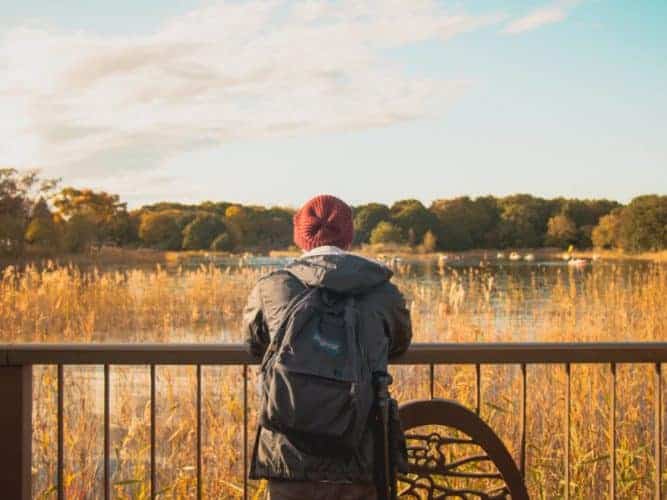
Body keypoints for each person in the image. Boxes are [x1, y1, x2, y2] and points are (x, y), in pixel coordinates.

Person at [244, 194, 412, 500]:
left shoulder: (272, 287)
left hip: (288, 457)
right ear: (347, 236)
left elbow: (255, 344)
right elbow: (400, 344)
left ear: (301, 238)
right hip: (361, 456)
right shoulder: (381, 290)